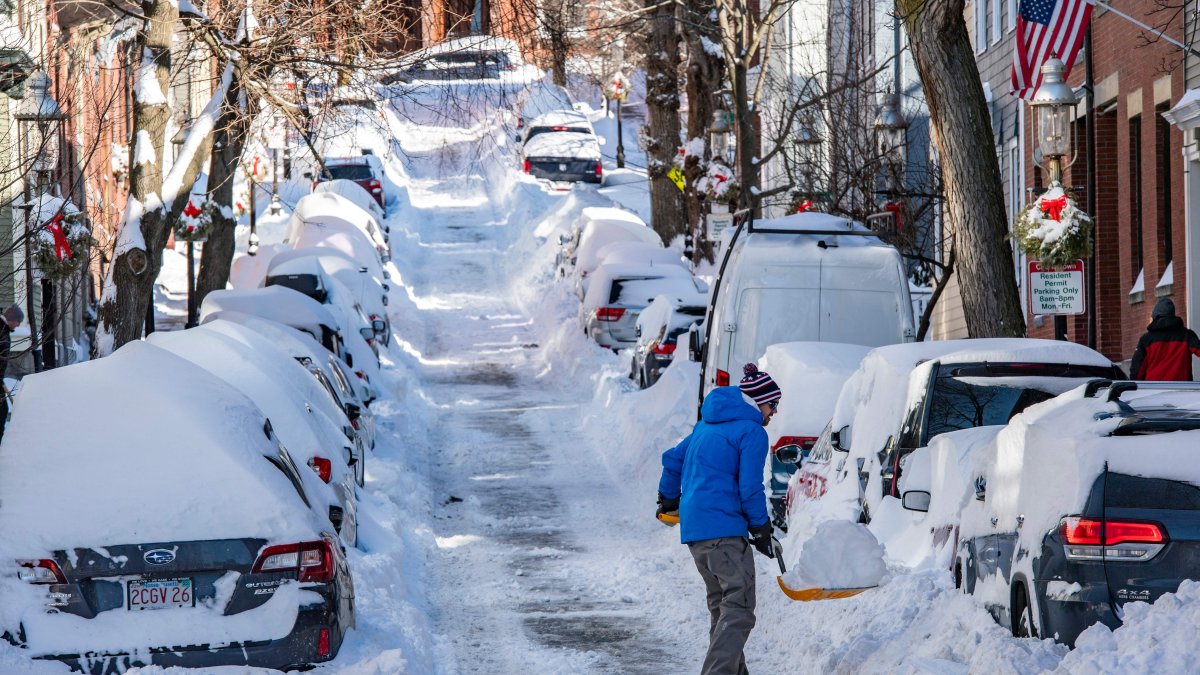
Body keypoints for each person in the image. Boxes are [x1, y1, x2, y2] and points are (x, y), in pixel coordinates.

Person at [657, 363, 782, 675]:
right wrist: (761, 528)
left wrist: (668, 498)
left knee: (723, 607)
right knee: (738, 608)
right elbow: (749, 487)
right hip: (724, 531)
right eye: (773, 404)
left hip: (696, 532)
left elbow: (673, 459)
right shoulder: (752, 432)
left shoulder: (706, 424)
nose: (775, 412)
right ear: (759, 401)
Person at [1129, 298, 1200, 381]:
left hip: (1153, 388)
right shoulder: (1187, 335)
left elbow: (1137, 369)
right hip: (1182, 388)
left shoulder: (1146, 339)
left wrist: (1138, 387)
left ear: (1155, 316)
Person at [0, 304, 22, 441]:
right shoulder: (1, 330)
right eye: (18, 321)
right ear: (11, 319)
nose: (19, 325)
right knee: (2, 413)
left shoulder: (3, 329)